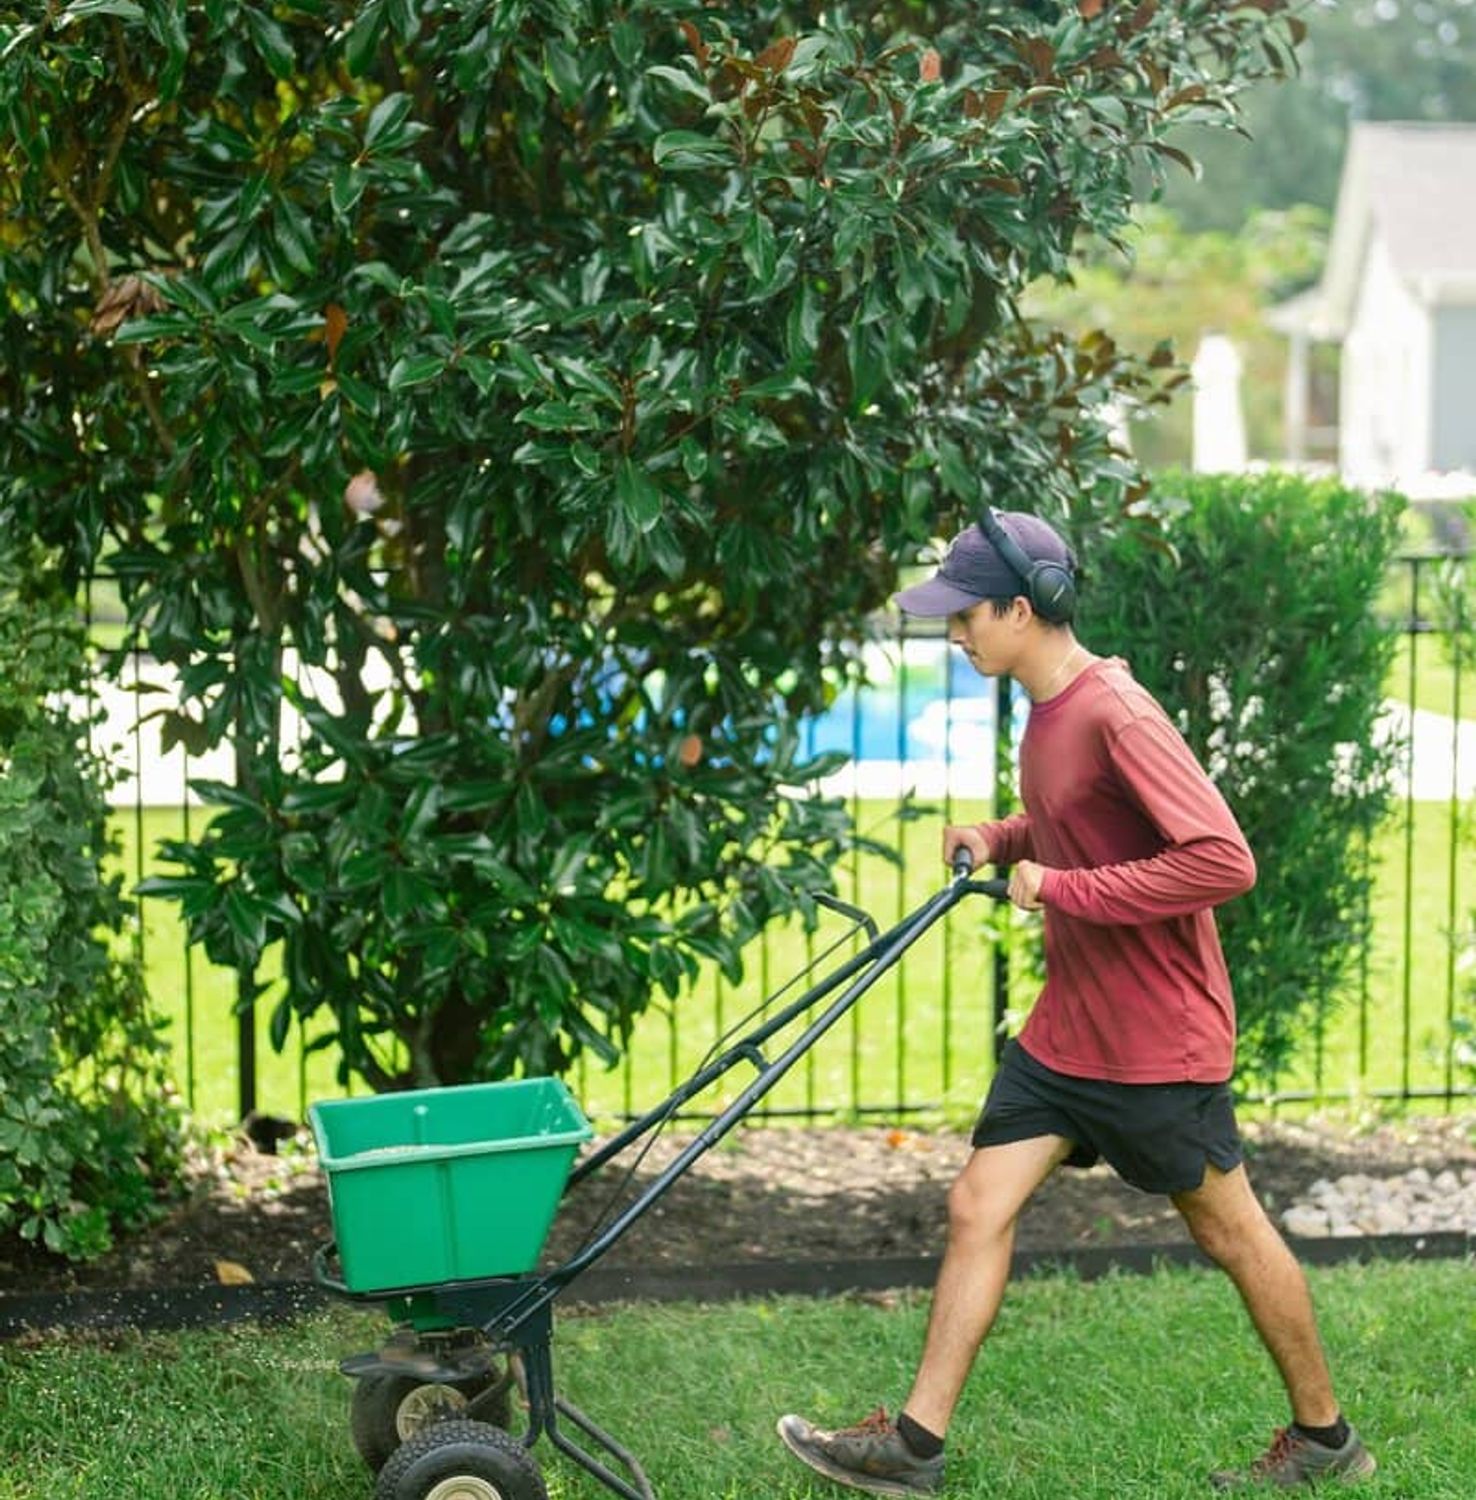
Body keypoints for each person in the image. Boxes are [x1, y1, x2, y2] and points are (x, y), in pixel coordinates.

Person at [776, 511, 1375, 1495]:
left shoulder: (1117, 711)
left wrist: (1060, 888)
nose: (955, 635)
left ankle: (1326, 1438)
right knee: (978, 1202)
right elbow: (1077, 819)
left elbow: (1224, 860)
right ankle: (912, 1452)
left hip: (1154, 1041)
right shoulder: (1044, 706)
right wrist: (1007, 836)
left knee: (1228, 1230)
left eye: (966, 617)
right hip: (1069, 1030)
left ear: (1024, 608)